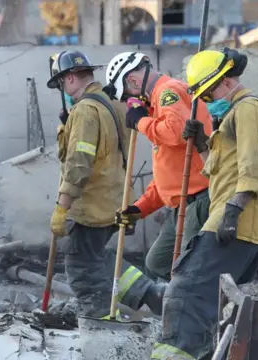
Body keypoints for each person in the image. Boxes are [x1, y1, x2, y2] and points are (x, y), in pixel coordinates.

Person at [150, 47, 258, 359]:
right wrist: (204, 144)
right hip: (229, 215)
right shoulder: (232, 115)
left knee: (186, 293)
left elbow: (256, 166)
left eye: (207, 95)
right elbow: (219, 172)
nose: (206, 102)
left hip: (236, 218)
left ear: (223, 83)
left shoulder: (249, 109)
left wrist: (234, 210)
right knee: (210, 300)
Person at [46, 50, 165, 318]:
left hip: (92, 205)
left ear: (72, 78)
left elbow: (79, 163)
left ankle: (98, 319)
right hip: (117, 200)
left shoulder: (86, 111)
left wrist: (62, 207)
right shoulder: (113, 102)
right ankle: (149, 292)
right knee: (97, 256)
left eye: (62, 83)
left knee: (82, 266)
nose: (63, 89)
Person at [103, 51, 213, 281]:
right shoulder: (157, 105)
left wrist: (140, 120)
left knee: (192, 272)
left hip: (198, 198)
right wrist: (139, 208)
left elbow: (177, 133)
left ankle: (205, 311)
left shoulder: (168, 92)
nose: (131, 103)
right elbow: (169, 173)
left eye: (128, 96)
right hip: (182, 202)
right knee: (158, 262)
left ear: (133, 81)